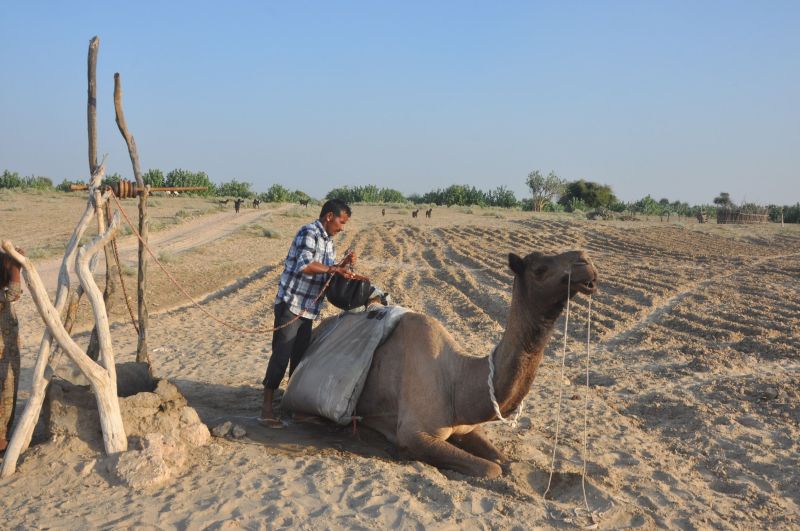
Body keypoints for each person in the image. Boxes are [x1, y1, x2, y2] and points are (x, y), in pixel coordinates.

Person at [259, 199, 357, 428]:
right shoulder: (309, 232)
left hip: (308, 309)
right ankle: (266, 410)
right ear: (330, 216)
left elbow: (326, 273)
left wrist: (343, 265)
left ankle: (295, 409)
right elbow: (305, 265)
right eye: (341, 221)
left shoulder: (328, 242)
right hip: (291, 305)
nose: (342, 227)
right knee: (281, 356)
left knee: (300, 359)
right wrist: (335, 268)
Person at [0, 249, 22, 452]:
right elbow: (14, 292)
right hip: (4, 345)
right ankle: (2, 440)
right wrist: (14, 264)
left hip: (8, 342)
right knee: (6, 387)